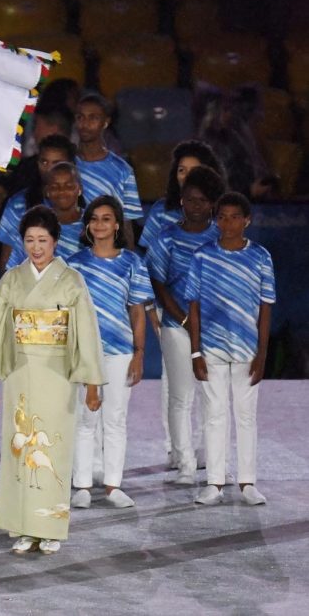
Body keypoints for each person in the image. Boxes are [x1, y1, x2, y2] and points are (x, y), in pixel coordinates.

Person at [0, 205, 105, 555]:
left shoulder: (72, 281)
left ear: (56, 242)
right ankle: (23, 526)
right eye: (30, 240)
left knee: (53, 448)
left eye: (43, 240)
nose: (36, 247)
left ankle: (49, 527)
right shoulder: (12, 279)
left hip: (57, 372)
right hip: (19, 371)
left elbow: (87, 333)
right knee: (19, 449)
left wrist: (92, 381)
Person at [138, 139, 223, 469]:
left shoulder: (219, 221)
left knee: (208, 384)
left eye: (195, 171)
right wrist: (157, 309)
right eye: (182, 170)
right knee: (174, 382)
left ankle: (205, 449)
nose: (186, 177)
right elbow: (152, 264)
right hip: (170, 308)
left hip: (210, 317)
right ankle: (177, 449)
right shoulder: (161, 212)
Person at [188, 192, 275, 506]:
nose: (227, 223)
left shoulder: (261, 257)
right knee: (214, 414)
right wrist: (196, 352)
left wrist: (262, 353)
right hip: (211, 348)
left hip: (246, 349)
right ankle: (214, 482)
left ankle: (247, 482)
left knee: (245, 415)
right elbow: (193, 307)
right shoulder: (202, 256)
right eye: (222, 216)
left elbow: (265, 308)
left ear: (247, 220)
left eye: (235, 216)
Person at [68, 196, 153, 509]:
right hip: (84, 353)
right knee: (85, 417)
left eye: (106, 219)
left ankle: (113, 484)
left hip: (119, 352)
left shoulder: (132, 263)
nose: (100, 224)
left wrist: (139, 352)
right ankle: (82, 485)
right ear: (88, 225)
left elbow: (137, 310)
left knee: (115, 418)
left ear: (117, 224)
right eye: (95, 219)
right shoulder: (74, 264)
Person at [0, 134, 77, 274]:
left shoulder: (86, 210)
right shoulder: (18, 205)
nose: (50, 169)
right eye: (44, 162)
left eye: (57, 163)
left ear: (71, 165)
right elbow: (7, 263)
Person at [74, 94, 142, 247]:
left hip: (104, 257)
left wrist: (128, 264)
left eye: (93, 118)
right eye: (80, 117)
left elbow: (126, 223)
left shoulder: (122, 170)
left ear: (106, 122)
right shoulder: (66, 165)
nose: (85, 124)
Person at [5, 162, 84, 268]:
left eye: (69, 186)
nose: (62, 191)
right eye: (55, 187)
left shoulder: (93, 224)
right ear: (47, 191)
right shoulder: (33, 226)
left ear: (80, 189)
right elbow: (13, 272)